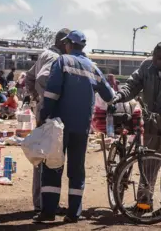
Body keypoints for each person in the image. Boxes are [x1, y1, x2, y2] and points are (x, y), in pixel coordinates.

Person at [35, 30, 114, 223]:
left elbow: (52, 93)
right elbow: (109, 96)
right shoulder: (93, 67)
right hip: (82, 127)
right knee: (77, 169)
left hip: (59, 125)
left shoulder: (62, 62)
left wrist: (43, 116)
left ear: (69, 44)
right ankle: (73, 213)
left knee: (53, 165)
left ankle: (48, 212)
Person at [112, 41, 161, 215]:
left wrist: (159, 111)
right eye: (154, 54)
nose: (155, 59)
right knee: (147, 167)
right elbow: (132, 85)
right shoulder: (147, 66)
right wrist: (119, 96)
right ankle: (144, 205)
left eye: (159, 57)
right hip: (149, 128)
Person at [25, 28, 70, 215]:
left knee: (42, 155)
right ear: (63, 43)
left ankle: (39, 201)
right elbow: (42, 78)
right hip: (49, 113)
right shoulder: (54, 57)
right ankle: (44, 203)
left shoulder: (45, 53)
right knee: (48, 157)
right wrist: (48, 100)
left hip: (42, 111)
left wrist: (35, 97)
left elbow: (29, 77)